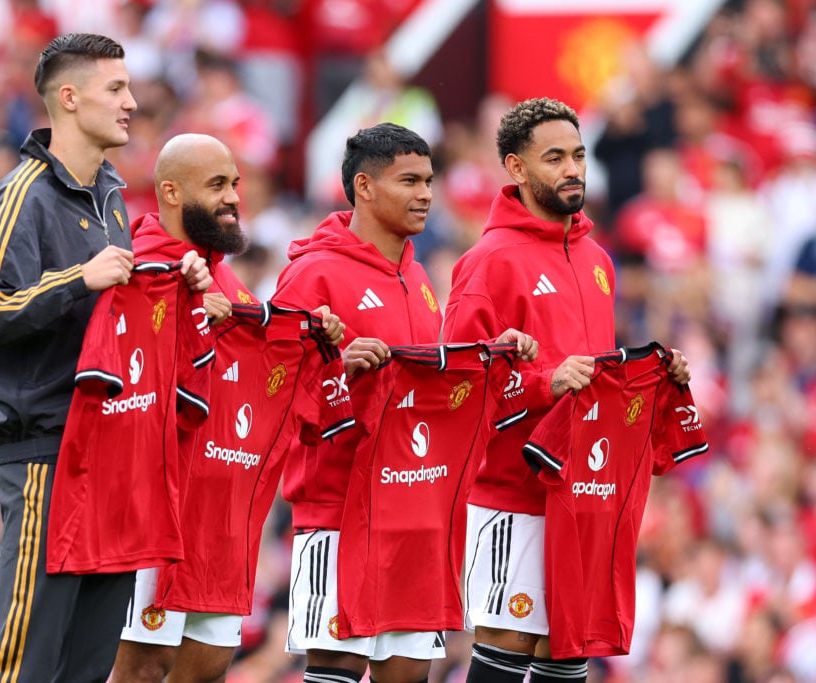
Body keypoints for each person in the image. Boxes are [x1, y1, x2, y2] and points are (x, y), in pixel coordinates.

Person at [0, 33, 210, 683]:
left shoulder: (110, 196)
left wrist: (179, 284)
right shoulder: (22, 197)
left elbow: (112, 312)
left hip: (109, 450)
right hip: (44, 451)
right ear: (68, 99)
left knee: (86, 665)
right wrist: (76, 279)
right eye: (116, 88)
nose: (132, 102)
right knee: (27, 658)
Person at [441, 97, 690, 683]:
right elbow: (452, 387)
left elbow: (595, 379)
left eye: (578, 155)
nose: (573, 168)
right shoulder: (488, 263)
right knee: (505, 656)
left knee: (568, 656)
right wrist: (540, 383)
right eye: (554, 157)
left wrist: (652, 383)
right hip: (512, 495)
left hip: (583, 494)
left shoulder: (600, 261)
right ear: (516, 168)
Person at [273, 122, 532, 683]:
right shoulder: (311, 274)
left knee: (410, 671)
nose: (426, 195)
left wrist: (492, 357)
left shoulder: (417, 276)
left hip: (415, 506)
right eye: (409, 180)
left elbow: (432, 391)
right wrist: (339, 369)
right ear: (363, 187)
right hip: (337, 506)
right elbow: (270, 389)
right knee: (337, 666)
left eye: (430, 180)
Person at [112, 132, 345, 683]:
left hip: (224, 518)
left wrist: (322, 345)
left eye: (235, 184)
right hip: (155, 510)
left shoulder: (229, 284)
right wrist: (184, 317)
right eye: (217, 184)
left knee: (208, 668)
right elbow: (123, 382)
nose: (234, 197)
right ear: (170, 191)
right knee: (144, 667)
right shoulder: (137, 267)